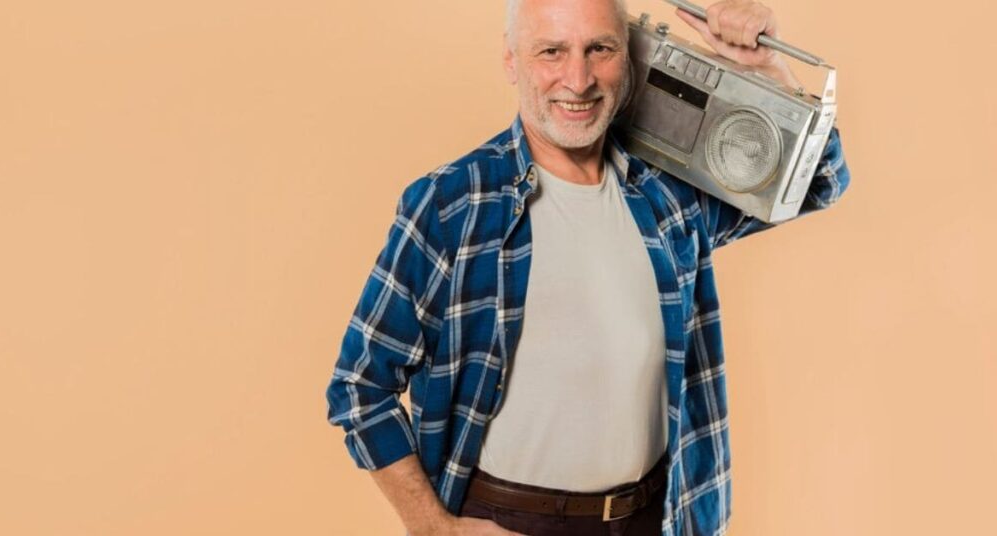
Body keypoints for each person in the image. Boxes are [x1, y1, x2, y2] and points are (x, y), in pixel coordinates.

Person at [325, 0, 851, 534]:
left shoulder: (668, 197)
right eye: (551, 51)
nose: (577, 80)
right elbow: (360, 386)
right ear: (511, 60)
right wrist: (434, 527)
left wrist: (765, 72)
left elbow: (820, 181)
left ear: (631, 57)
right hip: (510, 521)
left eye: (599, 49)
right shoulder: (451, 204)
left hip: (657, 517)